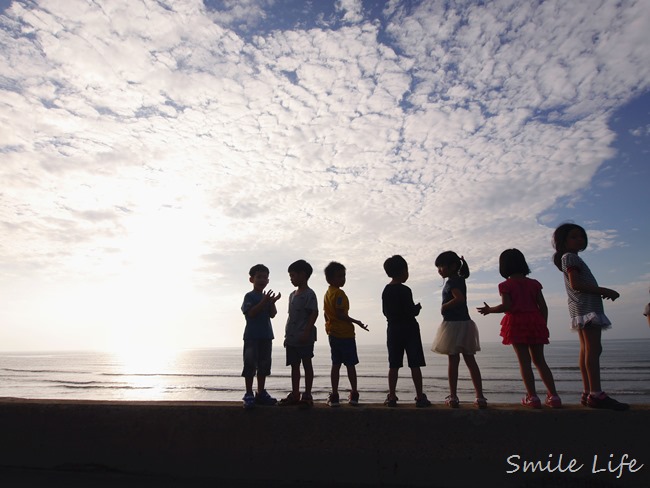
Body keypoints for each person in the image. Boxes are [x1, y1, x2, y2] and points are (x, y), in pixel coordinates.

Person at [552, 223, 628, 410]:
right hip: (587, 308)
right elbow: (576, 284)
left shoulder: (570, 258)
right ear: (563, 241)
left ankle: (588, 392)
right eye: (573, 236)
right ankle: (596, 393)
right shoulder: (570, 258)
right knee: (593, 349)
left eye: (581, 236)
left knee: (586, 349)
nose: (579, 239)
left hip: (581, 307)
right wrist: (604, 290)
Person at [477, 249, 561, 408]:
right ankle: (554, 396)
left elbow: (507, 306)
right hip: (535, 321)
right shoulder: (534, 284)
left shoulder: (505, 285)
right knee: (540, 361)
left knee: (525, 362)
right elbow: (543, 306)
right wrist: (543, 324)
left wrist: (490, 310)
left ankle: (533, 397)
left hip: (517, 322)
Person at [432, 251, 487, 409]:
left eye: (442, 266)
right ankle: (480, 396)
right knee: (470, 361)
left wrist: (444, 306)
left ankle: (454, 396)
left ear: (453, 266)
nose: (439, 270)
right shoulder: (460, 280)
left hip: (453, 325)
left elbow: (459, 299)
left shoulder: (451, 282)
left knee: (453, 362)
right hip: (464, 323)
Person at [382, 255, 431, 408]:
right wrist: (418, 308)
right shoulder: (405, 290)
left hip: (393, 329)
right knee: (414, 364)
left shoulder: (386, 290)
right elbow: (411, 311)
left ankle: (391, 395)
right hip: (409, 329)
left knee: (394, 364)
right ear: (403, 271)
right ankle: (419, 396)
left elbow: (385, 312)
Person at [323, 261, 369, 407]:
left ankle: (335, 394)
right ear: (330, 279)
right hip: (346, 335)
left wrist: (328, 327)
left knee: (335, 364)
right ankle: (354, 393)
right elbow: (340, 314)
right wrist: (357, 321)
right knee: (350, 365)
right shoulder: (339, 294)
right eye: (339, 276)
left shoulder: (327, 294)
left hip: (333, 334)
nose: (342, 279)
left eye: (343, 276)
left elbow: (326, 314)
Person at [240, 264, 281, 409]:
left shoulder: (266, 297)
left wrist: (272, 303)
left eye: (265, 277)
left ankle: (261, 392)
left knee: (264, 366)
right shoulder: (249, 296)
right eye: (259, 277)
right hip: (252, 336)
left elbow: (273, 314)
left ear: (268, 280)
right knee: (250, 365)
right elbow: (250, 313)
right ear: (251, 279)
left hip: (266, 336)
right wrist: (264, 301)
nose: (262, 280)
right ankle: (249, 393)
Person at [279, 260, 318, 407]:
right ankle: (295, 393)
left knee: (307, 364)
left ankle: (307, 394)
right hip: (292, 337)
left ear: (303, 275)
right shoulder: (292, 295)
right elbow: (291, 316)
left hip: (305, 337)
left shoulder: (310, 294)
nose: (291, 279)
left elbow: (314, 313)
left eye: (293, 275)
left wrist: (307, 331)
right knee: (294, 365)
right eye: (290, 276)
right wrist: (286, 336)